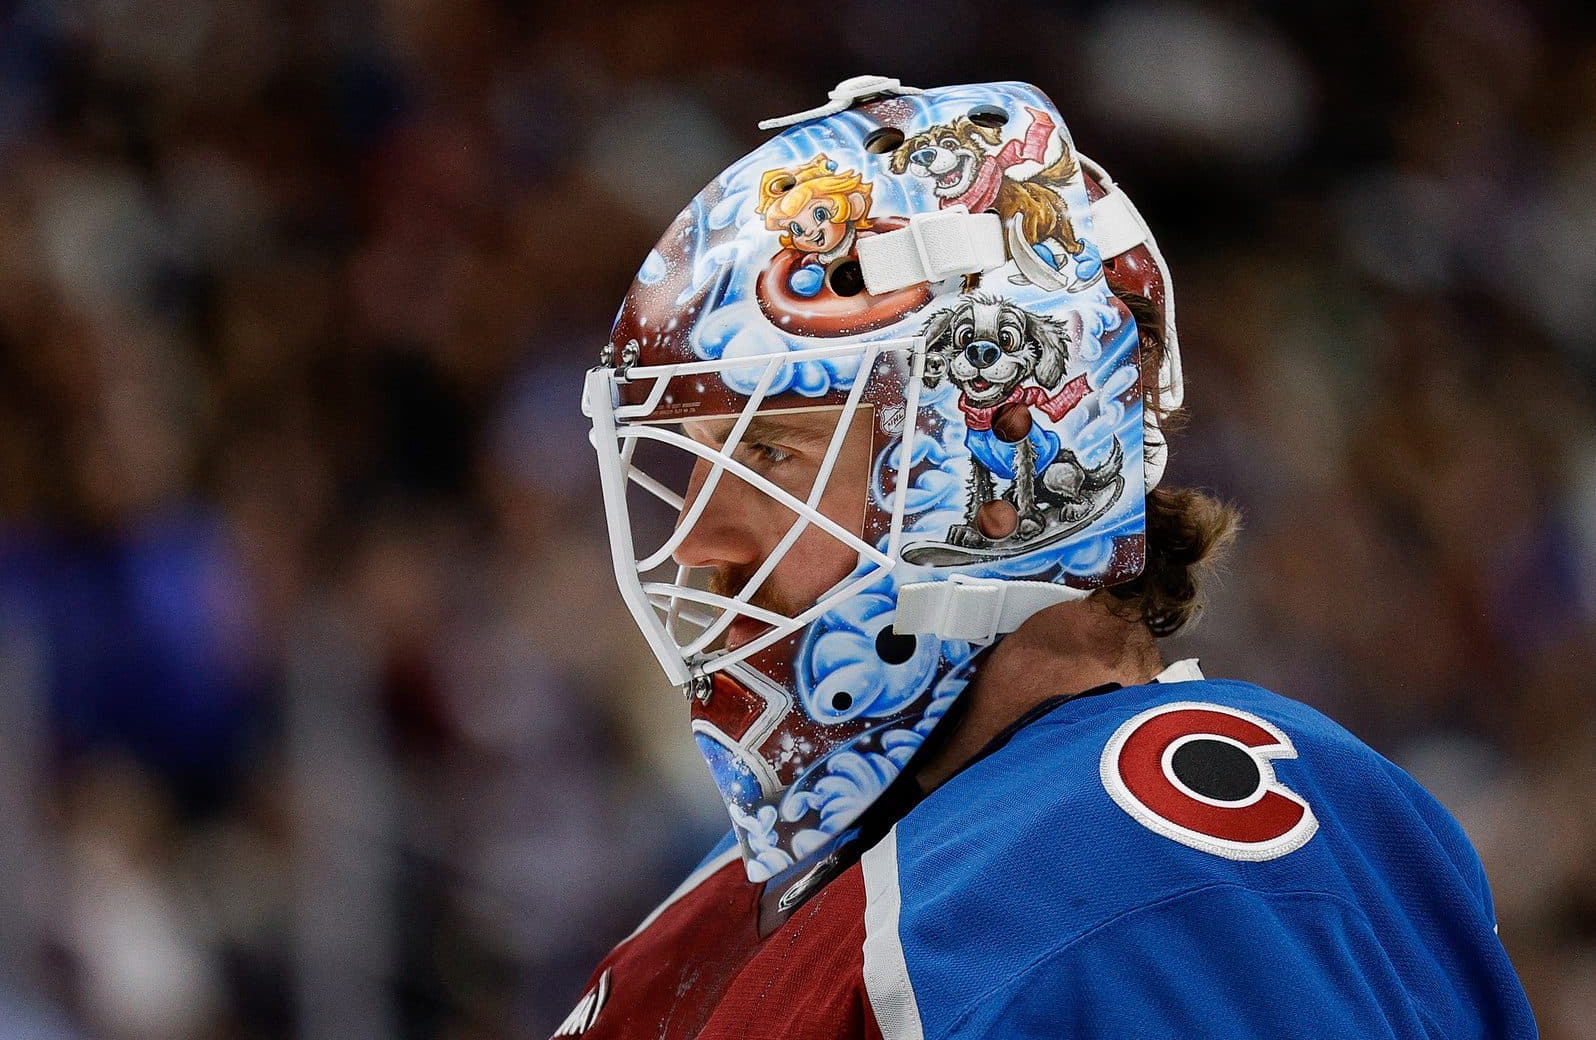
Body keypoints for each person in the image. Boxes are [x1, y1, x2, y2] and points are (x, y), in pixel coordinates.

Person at [569, 76, 1537, 1039]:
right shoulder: (708, 914)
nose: (697, 540)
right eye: (692, 464)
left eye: (771, 449)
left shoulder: (1135, 858)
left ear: (982, 457)